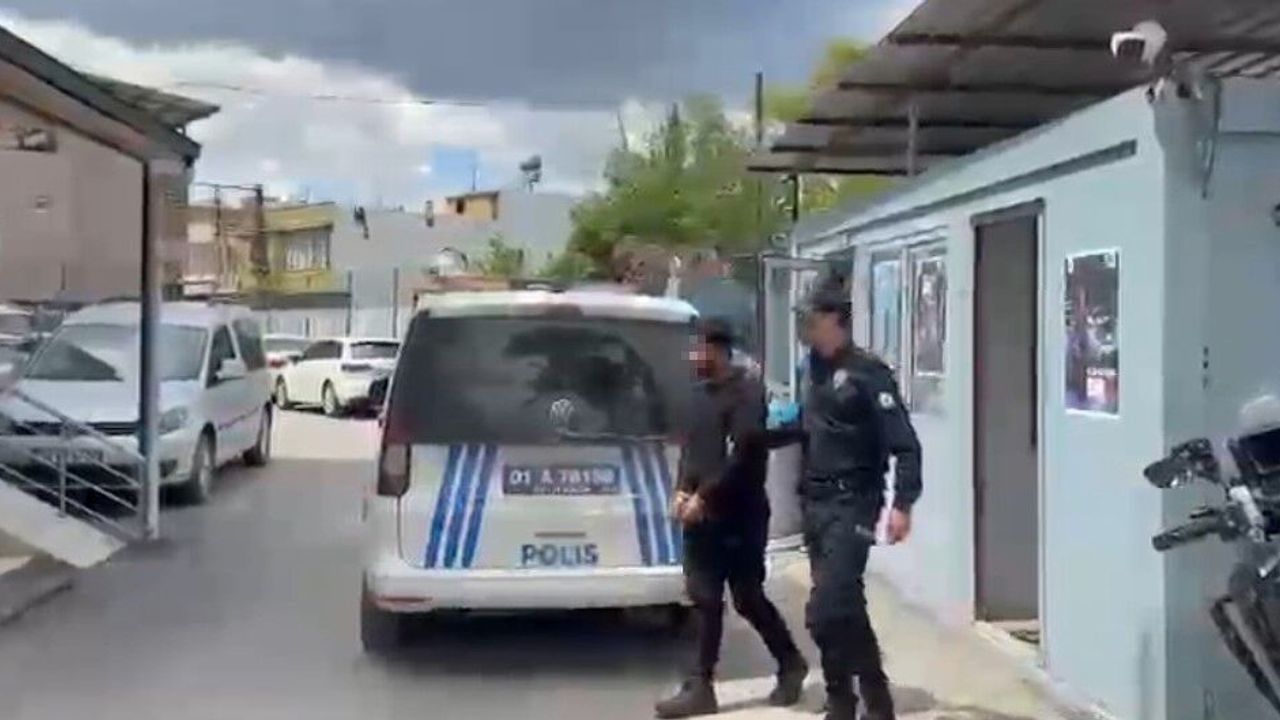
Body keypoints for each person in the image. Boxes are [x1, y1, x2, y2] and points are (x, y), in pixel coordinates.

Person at [777, 282, 922, 720]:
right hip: (816, 502)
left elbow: (906, 444)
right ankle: (850, 700)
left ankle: (867, 694)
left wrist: (902, 505)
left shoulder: (867, 373)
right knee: (845, 608)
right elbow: (809, 428)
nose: (803, 327)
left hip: (853, 501)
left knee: (825, 610)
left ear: (833, 320)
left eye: (811, 318)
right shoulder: (812, 368)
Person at [654, 319, 808, 719]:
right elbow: (692, 452)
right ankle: (700, 686)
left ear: (717, 350)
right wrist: (681, 490)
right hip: (700, 514)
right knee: (703, 598)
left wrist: (704, 496)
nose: (691, 356)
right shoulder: (698, 395)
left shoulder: (746, 393)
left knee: (747, 597)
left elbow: (742, 456)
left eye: (697, 348)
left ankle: (791, 663)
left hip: (739, 514)